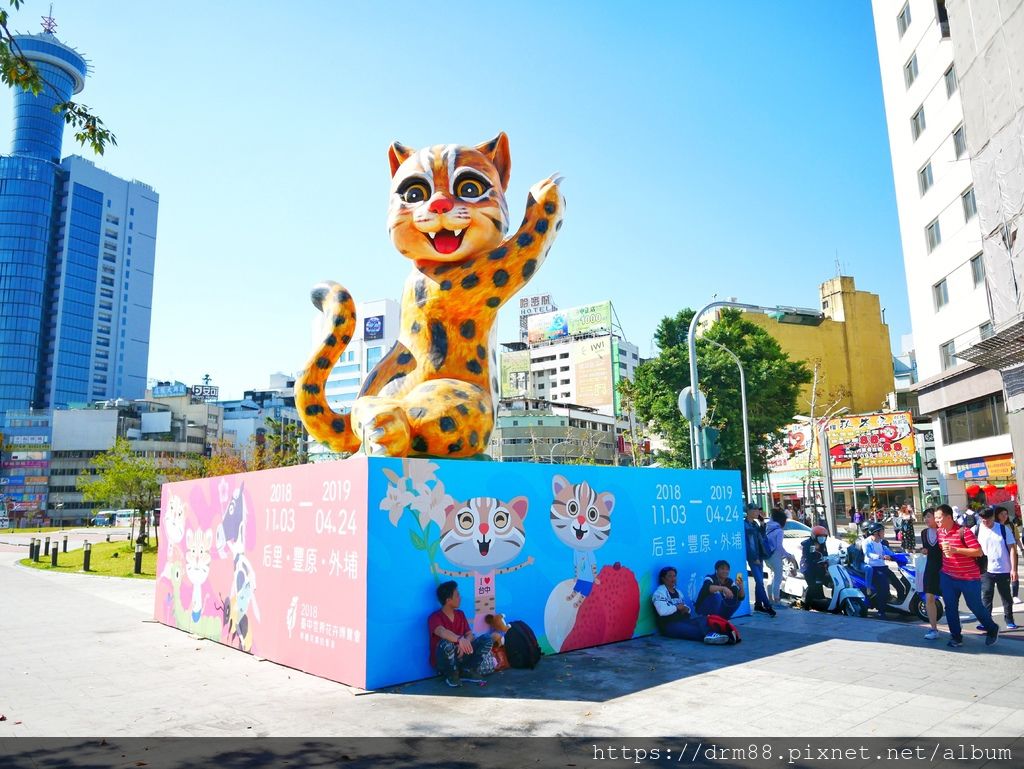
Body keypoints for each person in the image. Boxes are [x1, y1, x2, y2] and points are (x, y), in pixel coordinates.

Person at [934, 504, 999, 648]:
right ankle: (956, 637)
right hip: (948, 576)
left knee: (975, 606)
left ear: (949, 517)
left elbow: (978, 551)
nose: (937, 520)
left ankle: (992, 628)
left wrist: (955, 549)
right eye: (935, 518)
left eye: (939, 518)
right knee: (950, 607)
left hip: (968, 577)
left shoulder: (964, 532)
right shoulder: (940, 532)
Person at [427, 580, 495, 687]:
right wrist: (459, 640)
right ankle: (451, 675)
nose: (460, 597)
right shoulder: (434, 617)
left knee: (486, 639)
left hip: (462, 657)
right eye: (457, 595)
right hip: (446, 661)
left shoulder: (460, 614)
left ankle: (467, 670)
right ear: (448, 600)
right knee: (445, 644)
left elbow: (470, 634)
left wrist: (464, 644)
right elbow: (441, 631)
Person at [651, 567, 729, 644]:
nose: (673, 578)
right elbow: (662, 611)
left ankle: (716, 633)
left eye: (674, 576)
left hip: (683, 620)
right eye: (670, 576)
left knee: (704, 620)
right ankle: (710, 637)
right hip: (669, 625)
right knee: (693, 630)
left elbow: (685, 607)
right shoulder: (659, 593)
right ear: (663, 579)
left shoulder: (678, 592)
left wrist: (686, 609)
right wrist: (677, 607)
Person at [974, 506, 1018, 631]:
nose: (985, 522)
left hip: (1003, 569)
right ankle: (986, 621)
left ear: (993, 517)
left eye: (987, 520)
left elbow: (1012, 549)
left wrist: (1013, 569)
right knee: (986, 595)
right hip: (985, 569)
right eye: (982, 520)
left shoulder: (1003, 529)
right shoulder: (976, 529)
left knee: (1006, 596)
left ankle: (1009, 620)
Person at [743, 503, 776, 616]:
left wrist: (762, 525)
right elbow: (747, 544)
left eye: (758, 510)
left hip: (759, 556)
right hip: (753, 557)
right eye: (756, 510)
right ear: (749, 511)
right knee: (759, 581)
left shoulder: (755, 524)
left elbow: (761, 538)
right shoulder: (744, 525)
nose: (758, 512)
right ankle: (767, 606)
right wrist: (753, 558)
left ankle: (758, 605)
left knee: (759, 581)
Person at [919, 507, 942, 640]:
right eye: (925, 517)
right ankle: (933, 629)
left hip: (945, 569)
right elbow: (925, 547)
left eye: (929, 516)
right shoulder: (924, 533)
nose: (926, 519)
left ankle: (955, 627)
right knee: (929, 598)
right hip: (930, 569)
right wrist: (923, 550)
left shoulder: (944, 532)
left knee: (950, 600)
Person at [863, 521, 892, 620]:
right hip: (873, 567)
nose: (884, 533)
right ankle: (881, 611)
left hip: (882, 566)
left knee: (896, 580)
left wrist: (897, 555)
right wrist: (881, 557)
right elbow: (868, 554)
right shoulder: (867, 542)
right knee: (883, 587)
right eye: (882, 531)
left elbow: (887, 551)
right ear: (876, 533)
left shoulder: (881, 542)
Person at [799, 526, 829, 610]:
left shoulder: (823, 544)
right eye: (820, 537)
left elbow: (825, 554)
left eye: (824, 537)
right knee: (812, 585)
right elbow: (808, 557)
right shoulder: (808, 544)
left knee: (820, 584)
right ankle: (806, 606)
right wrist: (816, 560)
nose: (822, 539)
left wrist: (827, 560)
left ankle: (820, 603)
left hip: (818, 566)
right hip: (808, 567)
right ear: (814, 536)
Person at [765, 508, 787, 607]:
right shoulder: (779, 531)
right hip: (775, 556)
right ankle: (777, 601)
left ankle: (770, 599)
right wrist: (788, 555)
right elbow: (779, 547)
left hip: (767, 557)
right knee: (778, 578)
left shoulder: (767, 528)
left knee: (771, 577)